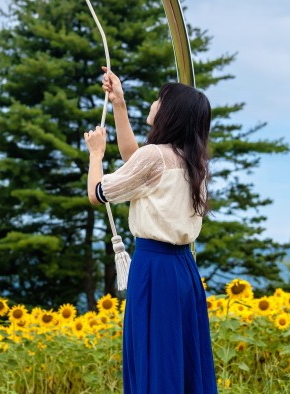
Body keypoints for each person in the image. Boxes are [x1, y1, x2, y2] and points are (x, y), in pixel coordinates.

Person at [84, 68, 218, 394]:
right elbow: (136, 162)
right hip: (183, 270)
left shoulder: (155, 157)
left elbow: (97, 193)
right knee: (178, 358)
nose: (155, 102)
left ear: (169, 112)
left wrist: (96, 154)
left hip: (154, 268)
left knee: (154, 357)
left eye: (160, 99)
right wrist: (119, 104)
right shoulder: (190, 159)